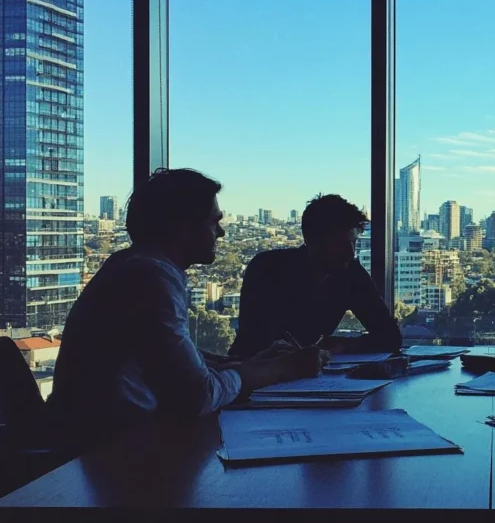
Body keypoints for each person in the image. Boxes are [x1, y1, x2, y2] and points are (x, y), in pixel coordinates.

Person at [48, 169, 326, 451]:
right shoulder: (150, 277)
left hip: (107, 445)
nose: (221, 231)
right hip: (114, 453)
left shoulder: (132, 266)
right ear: (183, 227)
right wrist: (283, 368)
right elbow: (196, 395)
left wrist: (254, 364)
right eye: (214, 221)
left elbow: (172, 366)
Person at [228, 194, 402, 358]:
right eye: (339, 244)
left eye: (354, 242)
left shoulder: (350, 272)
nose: (350, 252)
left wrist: (343, 345)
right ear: (311, 240)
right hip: (250, 375)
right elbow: (256, 342)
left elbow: (391, 336)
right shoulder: (268, 269)